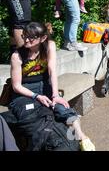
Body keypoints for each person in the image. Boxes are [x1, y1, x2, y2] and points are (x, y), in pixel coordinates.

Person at [8, 22, 95, 150]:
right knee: (35, 115)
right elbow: (16, 86)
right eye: (24, 36)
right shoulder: (17, 55)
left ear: (42, 38)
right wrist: (37, 96)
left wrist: (55, 95)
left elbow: (52, 70)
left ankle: (81, 137)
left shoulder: (49, 45)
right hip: (25, 90)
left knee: (62, 108)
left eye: (30, 38)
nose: (26, 40)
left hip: (45, 85)